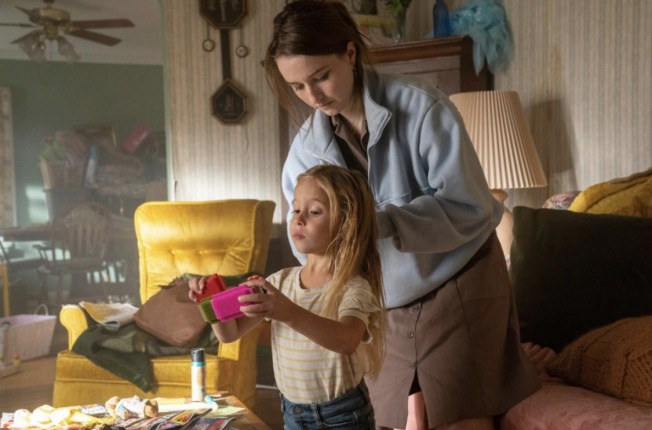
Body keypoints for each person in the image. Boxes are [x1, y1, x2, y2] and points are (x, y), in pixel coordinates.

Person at [262, 1, 541, 429]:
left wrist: (380, 223)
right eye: (297, 86)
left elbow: (470, 207)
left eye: (320, 77)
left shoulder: (422, 107)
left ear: (350, 54)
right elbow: (308, 245)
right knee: (388, 418)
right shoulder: (304, 150)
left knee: (460, 417)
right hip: (383, 302)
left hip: (458, 281)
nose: (313, 97)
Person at [190, 164, 385, 430]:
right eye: (295, 209)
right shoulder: (279, 282)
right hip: (293, 414)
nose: (299, 219)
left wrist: (287, 312)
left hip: (342, 417)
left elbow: (347, 340)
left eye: (314, 212)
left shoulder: (353, 287)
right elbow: (230, 333)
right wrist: (208, 302)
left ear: (346, 223)